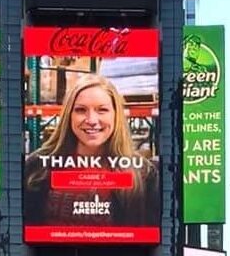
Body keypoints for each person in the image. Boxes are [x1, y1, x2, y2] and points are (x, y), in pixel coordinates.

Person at [23, 74, 160, 230]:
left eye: (102, 110)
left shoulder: (143, 173)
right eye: (81, 110)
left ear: (116, 115)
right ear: (69, 116)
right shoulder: (38, 166)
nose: (92, 120)